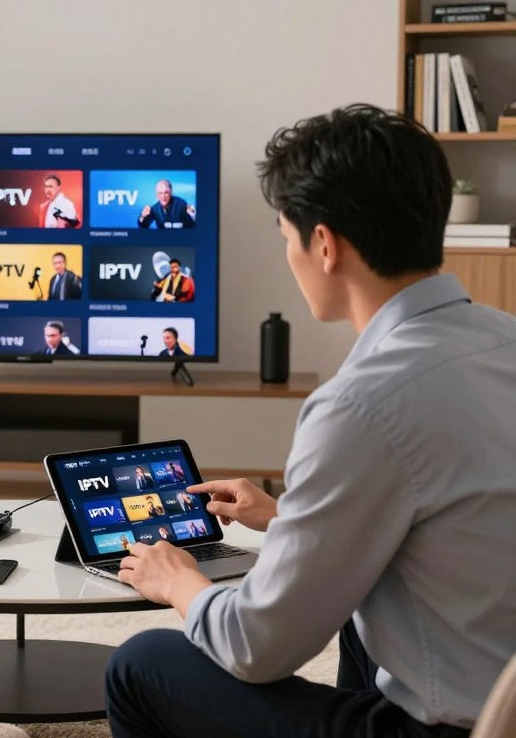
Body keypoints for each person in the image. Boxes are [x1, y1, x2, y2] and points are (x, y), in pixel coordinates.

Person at [105, 105, 516, 737]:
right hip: (500, 689)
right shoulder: (502, 338)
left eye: (286, 237)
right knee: (357, 595)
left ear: (324, 245)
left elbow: (255, 648)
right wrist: (286, 519)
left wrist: (180, 583)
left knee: (140, 664)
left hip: (452, 728)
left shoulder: (361, 402)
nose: (289, 255)